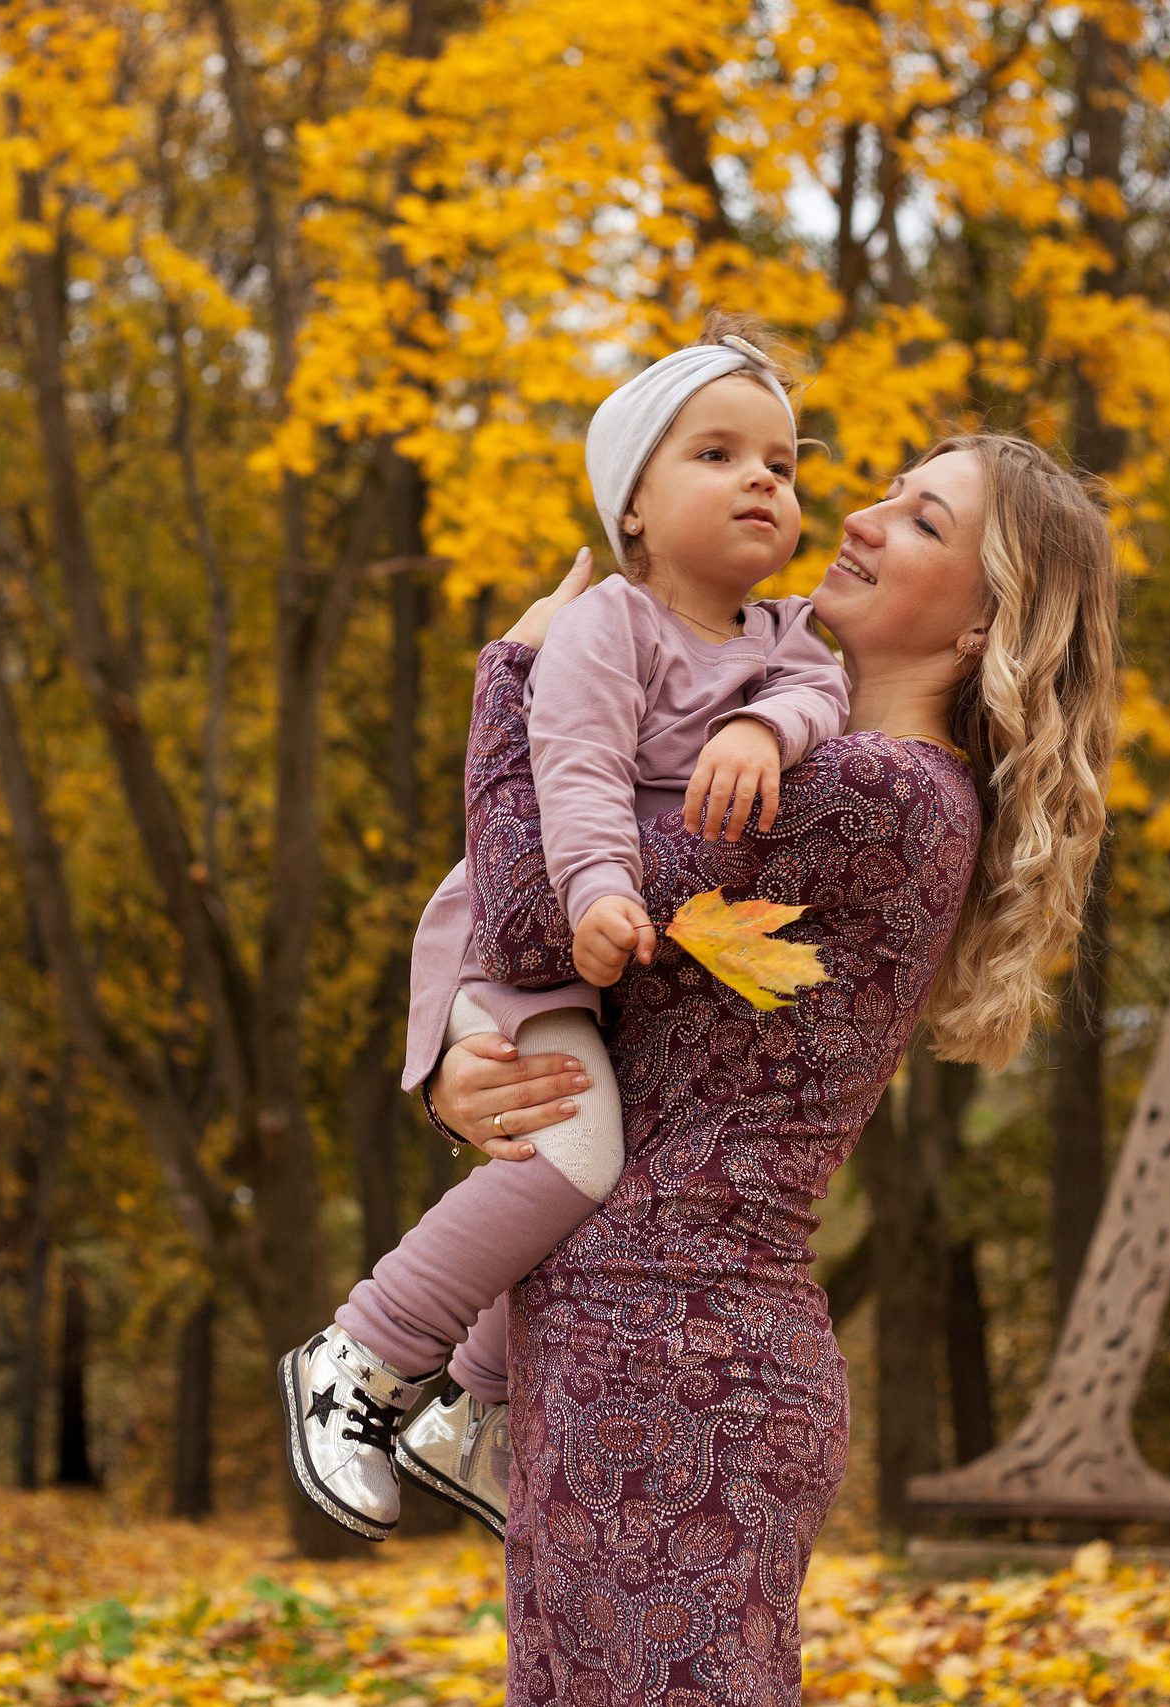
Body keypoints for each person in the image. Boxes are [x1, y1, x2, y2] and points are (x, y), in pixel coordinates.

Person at [434, 432, 1120, 1705]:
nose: (856, 517)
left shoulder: (870, 797)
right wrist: (459, 1077)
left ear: (984, 624)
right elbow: (588, 993)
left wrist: (517, 674)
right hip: (632, 1342)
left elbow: (530, 909)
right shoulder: (802, 771)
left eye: (922, 522)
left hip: (671, 1358)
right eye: (884, 491)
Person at [279, 317, 851, 1542]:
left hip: (618, 957)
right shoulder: (610, 628)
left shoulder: (783, 640)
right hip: (523, 929)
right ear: (630, 510)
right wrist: (596, 891)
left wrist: (763, 732)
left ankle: (475, 1412)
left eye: (783, 461)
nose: (762, 476)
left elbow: (819, 692)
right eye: (716, 453)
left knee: (615, 1174)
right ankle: (366, 1354)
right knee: (568, 1159)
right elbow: (576, 768)